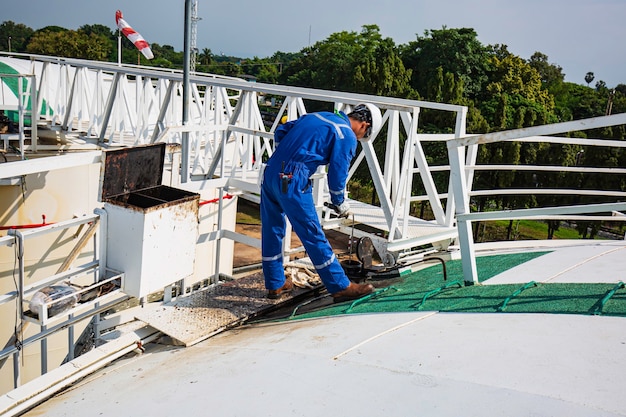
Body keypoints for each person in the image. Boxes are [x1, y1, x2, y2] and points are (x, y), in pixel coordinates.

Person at [260, 103, 382, 303]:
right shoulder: (347, 135)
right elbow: (338, 172)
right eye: (363, 136)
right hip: (292, 178)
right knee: (312, 233)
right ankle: (340, 286)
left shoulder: (318, 116)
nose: (359, 139)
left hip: (272, 170)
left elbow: (281, 131)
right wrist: (339, 202)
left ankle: (275, 283)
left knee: (272, 229)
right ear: (364, 125)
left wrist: (287, 155)